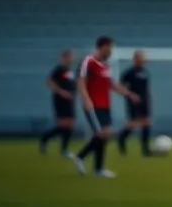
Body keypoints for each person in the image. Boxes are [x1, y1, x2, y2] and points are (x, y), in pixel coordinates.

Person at [73, 36, 138, 178]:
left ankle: (97, 168)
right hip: (93, 105)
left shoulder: (105, 66)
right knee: (103, 134)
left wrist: (128, 94)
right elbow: (81, 81)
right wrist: (86, 99)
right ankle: (83, 158)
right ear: (101, 47)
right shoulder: (88, 61)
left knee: (105, 135)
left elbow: (111, 84)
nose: (110, 51)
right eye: (109, 48)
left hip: (105, 105)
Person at [39, 49, 76, 158]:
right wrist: (62, 92)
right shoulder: (58, 69)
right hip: (60, 100)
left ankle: (64, 149)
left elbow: (71, 84)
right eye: (69, 57)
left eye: (71, 57)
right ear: (63, 58)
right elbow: (49, 83)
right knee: (64, 124)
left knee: (71, 123)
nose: (71, 59)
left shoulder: (69, 71)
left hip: (70, 100)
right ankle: (46, 138)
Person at [117, 50, 153, 156]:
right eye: (141, 58)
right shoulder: (129, 73)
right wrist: (130, 95)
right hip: (133, 101)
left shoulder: (146, 72)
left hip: (145, 101)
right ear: (135, 59)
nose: (143, 60)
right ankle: (121, 139)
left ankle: (145, 150)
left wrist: (150, 96)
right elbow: (120, 87)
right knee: (132, 124)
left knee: (147, 122)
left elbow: (146, 86)